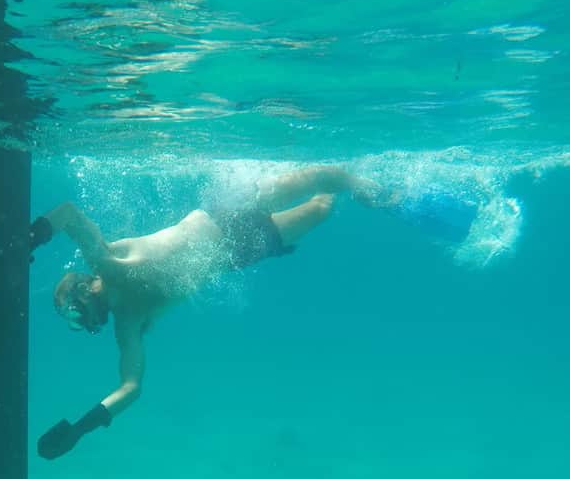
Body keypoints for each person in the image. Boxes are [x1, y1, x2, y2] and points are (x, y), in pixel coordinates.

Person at [29, 165, 386, 460]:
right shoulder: (128, 323)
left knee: (312, 178)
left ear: (82, 291)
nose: (82, 324)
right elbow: (131, 387)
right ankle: (340, 181)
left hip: (224, 218)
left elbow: (69, 214)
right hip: (235, 253)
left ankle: (360, 180)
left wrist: (30, 238)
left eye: (73, 316)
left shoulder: (106, 262)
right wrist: (81, 428)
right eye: (74, 324)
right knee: (320, 209)